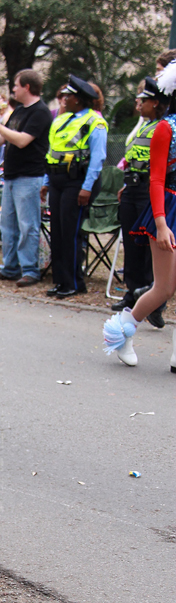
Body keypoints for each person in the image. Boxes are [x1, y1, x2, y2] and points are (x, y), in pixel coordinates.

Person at [103, 61, 176, 371]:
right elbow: (157, 179)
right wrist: (160, 223)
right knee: (163, 288)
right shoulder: (166, 127)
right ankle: (121, 331)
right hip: (169, 210)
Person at [0, 68, 52, 286]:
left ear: (27, 86)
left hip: (29, 176)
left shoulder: (40, 112)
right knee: (8, 224)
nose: (13, 89)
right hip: (11, 176)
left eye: (16, 85)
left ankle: (30, 270)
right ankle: (10, 267)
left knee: (28, 225)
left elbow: (22, 140)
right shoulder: (18, 111)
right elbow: (1, 140)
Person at [41, 75, 108, 298]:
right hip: (58, 180)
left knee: (70, 232)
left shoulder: (94, 122)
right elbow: (52, 153)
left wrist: (87, 188)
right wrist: (46, 182)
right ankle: (61, 281)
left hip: (77, 182)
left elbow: (98, 159)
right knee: (57, 232)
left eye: (68, 96)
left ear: (78, 100)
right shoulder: (60, 120)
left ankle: (73, 283)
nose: (63, 98)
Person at [112, 77, 168, 325]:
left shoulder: (164, 126)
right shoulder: (144, 126)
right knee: (132, 242)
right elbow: (132, 157)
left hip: (148, 188)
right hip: (133, 186)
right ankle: (131, 292)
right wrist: (126, 184)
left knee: (149, 246)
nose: (138, 104)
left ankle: (150, 296)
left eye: (144, 100)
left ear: (156, 103)